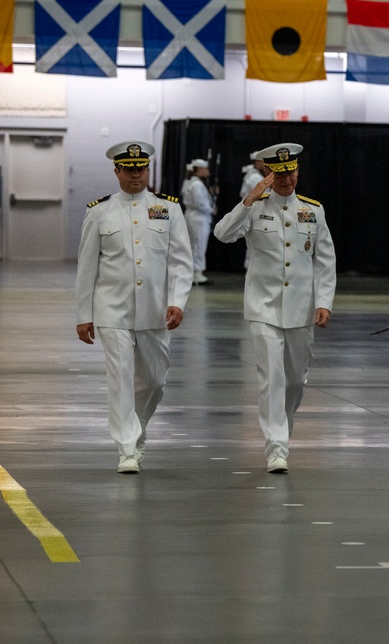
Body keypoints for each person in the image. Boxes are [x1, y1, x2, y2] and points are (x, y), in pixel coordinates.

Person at [213, 143, 337, 473]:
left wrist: (324, 301)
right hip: (263, 307)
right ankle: (276, 447)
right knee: (272, 377)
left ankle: (282, 432)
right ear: (268, 174)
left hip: (301, 309)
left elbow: (325, 260)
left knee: (295, 381)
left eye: (291, 173)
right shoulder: (254, 208)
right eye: (279, 174)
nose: (286, 180)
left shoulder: (314, 210)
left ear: (298, 172)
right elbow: (222, 234)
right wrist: (248, 199)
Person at [76, 140, 193, 474]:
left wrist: (177, 301)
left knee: (154, 382)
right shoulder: (99, 211)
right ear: (117, 172)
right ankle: (127, 448)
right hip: (112, 310)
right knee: (121, 378)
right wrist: (84, 316)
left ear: (148, 170)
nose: (135, 175)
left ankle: (136, 430)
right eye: (128, 170)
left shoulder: (168, 209)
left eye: (140, 169)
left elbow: (181, 261)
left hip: (156, 311)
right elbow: (87, 267)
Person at [181, 158, 215, 286]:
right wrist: (211, 210)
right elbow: (200, 203)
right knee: (199, 245)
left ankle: (193, 271)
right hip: (199, 217)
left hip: (192, 216)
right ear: (199, 170)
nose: (207, 171)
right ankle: (197, 272)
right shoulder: (197, 185)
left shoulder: (189, 183)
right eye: (205, 169)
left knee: (194, 244)